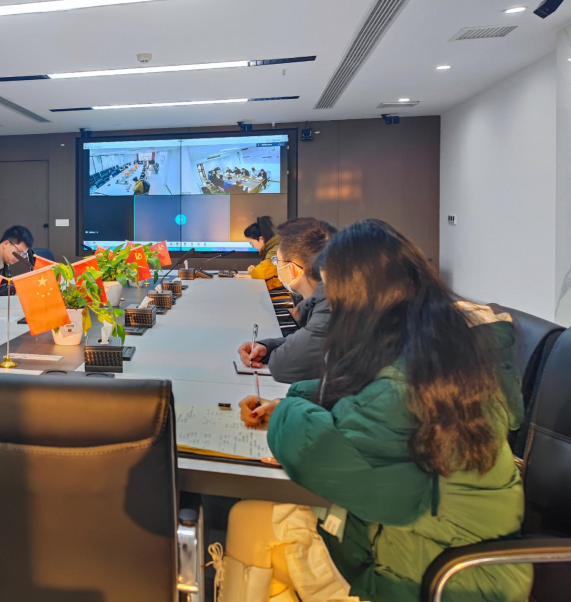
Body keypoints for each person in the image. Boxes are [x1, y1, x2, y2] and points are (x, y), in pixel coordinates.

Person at [219, 219, 529, 602]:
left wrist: (285, 415)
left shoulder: (407, 383)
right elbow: (361, 395)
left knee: (251, 524)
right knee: (255, 520)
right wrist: (292, 402)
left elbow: (317, 455)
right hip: (441, 548)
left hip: (439, 578)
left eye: (336, 294)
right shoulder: (438, 347)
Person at [237, 218, 336, 383]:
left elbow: (282, 366)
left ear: (292, 270)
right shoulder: (327, 297)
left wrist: (274, 354)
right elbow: (310, 338)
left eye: (276, 261)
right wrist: (267, 348)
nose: (275, 266)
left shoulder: (329, 307)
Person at [244, 216, 282, 289]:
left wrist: (253, 271)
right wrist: (256, 268)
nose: (253, 246)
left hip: (279, 292)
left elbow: (261, 272)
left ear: (261, 239)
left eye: (252, 243)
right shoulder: (275, 247)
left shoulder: (275, 250)